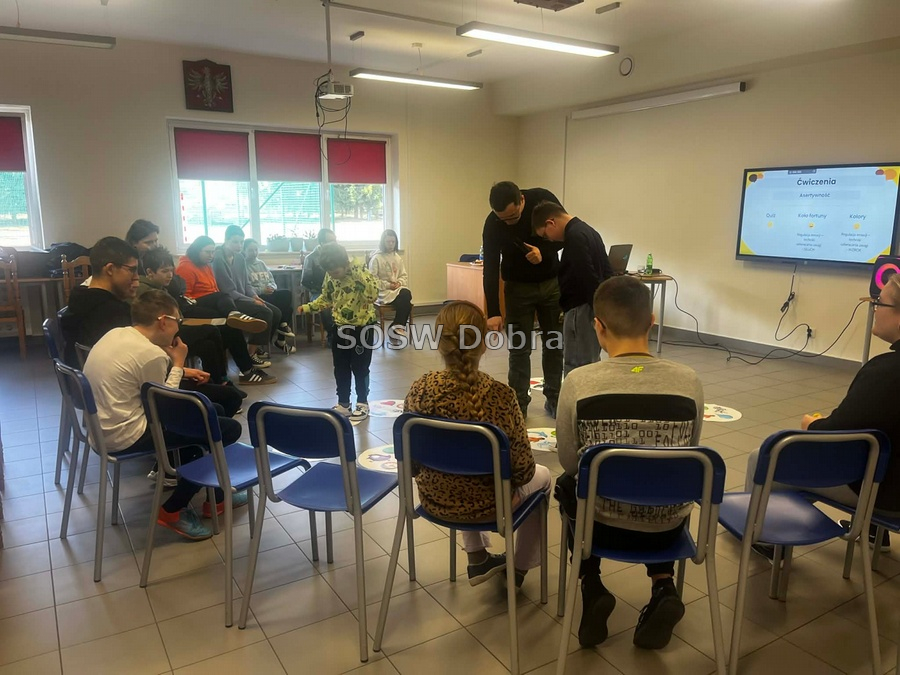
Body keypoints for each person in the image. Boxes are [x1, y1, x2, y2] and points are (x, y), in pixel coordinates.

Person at [556, 275, 704, 650]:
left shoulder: (578, 381)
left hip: (600, 528)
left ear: (598, 326)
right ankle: (663, 584)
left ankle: (591, 583)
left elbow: (570, 462)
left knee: (567, 484)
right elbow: (689, 453)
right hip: (666, 530)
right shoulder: (688, 381)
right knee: (658, 476)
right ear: (651, 321)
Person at [744, 273, 900, 549]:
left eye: (880, 303)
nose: (874, 309)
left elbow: (835, 434)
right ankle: (874, 533)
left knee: (767, 456)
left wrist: (812, 425)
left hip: (886, 496)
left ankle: (761, 538)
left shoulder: (886, 372)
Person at [404, 301, 552, 587]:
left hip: (435, 499)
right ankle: (518, 569)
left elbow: (411, 465)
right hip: (492, 507)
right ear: (483, 344)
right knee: (543, 477)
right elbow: (523, 472)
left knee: (457, 470)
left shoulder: (420, 389)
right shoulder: (502, 396)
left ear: (438, 341)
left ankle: (477, 556)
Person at [83, 291, 247, 540]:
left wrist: (180, 369)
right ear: (163, 321)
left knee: (215, 413)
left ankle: (217, 494)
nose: (178, 328)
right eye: (178, 321)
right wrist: (179, 363)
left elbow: (144, 382)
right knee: (226, 430)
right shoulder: (151, 354)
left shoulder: (116, 333)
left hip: (101, 429)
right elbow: (166, 404)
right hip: (126, 435)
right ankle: (173, 509)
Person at [482, 181, 564, 419]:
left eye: (513, 216)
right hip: (517, 290)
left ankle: (554, 397)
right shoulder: (493, 223)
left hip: (550, 284)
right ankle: (518, 404)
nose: (509, 223)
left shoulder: (543, 199)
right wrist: (493, 311)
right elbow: (490, 267)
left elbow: (565, 233)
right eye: (503, 219)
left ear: (522, 200)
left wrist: (543, 253)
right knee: (519, 348)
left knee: (554, 344)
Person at [140, 247, 275, 386]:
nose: (170, 275)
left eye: (171, 271)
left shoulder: (162, 285)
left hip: (178, 324)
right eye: (164, 271)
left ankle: (222, 380)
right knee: (216, 329)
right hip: (170, 331)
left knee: (212, 340)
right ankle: (231, 376)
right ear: (150, 272)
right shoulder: (146, 291)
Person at [297, 243, 378, 421]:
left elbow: (372, 295)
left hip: (362, 328)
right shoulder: (330, 275)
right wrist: (308, 307)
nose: (333, 275)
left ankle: (362, 403)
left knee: (360, 367)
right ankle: (344, 403)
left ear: (346, 264)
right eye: (330, 272)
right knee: (340, 367)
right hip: (340, 327)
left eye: (336, 272)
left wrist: (357, 274)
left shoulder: (360, 271)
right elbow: (326, 298)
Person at [532, 201, 613, 376]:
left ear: (551, 223)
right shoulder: (590, 231)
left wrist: (598, 308)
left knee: (577, 366)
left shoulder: (574, 237)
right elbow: (608, 271)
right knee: (591, 362)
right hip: (592, 308)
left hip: (580, 309)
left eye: (545, 235)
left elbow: (586, 276)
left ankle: (577, 396)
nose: (549, 240)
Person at [176, 236, 271, 368]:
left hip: (211, 303)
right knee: (223, 297)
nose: (211, 255)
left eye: (213, 252)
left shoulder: (206, 265)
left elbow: (214, 288)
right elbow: (185, 298)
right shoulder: (185, 267)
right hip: (194, 306)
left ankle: (246, 370)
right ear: (197, 250)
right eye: (208, 252)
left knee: (231, 326)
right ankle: (235, 316)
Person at [214, 226, 295, 356]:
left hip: (244, 297)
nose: (239, 245)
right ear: (226, 240)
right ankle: (251, 354)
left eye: (241, 242)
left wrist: (254, 296)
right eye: (235, 242)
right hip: (230, 301)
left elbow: (247, 284)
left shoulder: (239, 258)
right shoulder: (218, 259)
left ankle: (256, 347)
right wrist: (252, 300)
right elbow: (229, 291)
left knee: (277, 313)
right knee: (265, 312)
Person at [60, 236, 140, 366]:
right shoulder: (113, 314)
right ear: (110, 269)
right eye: (132, 270)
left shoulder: (80, 298)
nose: (136, 277)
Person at [243, 238, 295, 337]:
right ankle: (280, 337)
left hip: (269, 293)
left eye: (256, 250)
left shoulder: (261, 263)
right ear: (244, 250)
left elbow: (271, 280)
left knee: (287, 294)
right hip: (258, 296)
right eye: (250, 250)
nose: (254, 253)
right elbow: (246, 288)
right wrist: (262, 290)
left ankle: (281, 327)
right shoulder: (243, 266)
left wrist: (272, 287)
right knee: (287, 310)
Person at [368, 229, 412, 341]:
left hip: (396, 289)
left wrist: (399, 283)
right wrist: (388, 285)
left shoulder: (397, 258)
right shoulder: (376, 258)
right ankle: (396, 327)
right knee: (406, 301)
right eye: (388, 242)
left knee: (406, 294)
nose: (391, 244)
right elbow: (372, 280)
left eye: (393, 242)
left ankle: (396, 325)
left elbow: (403, 275)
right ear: (383, 242)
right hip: (382, 291)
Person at [301, 228, 337, 346]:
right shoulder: (311, 258)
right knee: (325, 307)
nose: (334, 244)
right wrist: (322, 290)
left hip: (337, 291)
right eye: (331, 241)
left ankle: (348, 333)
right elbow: (305, 281)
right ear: (322, 243)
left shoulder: (338, 255)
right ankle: (332, 335)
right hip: (318, 291)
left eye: (335, 240)